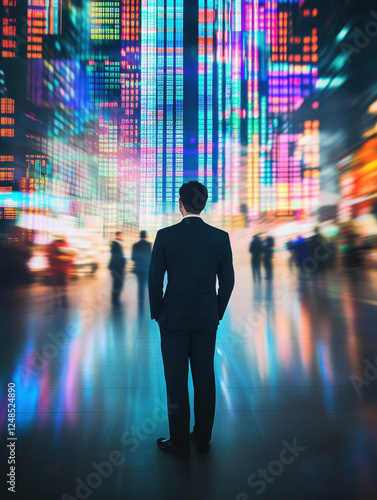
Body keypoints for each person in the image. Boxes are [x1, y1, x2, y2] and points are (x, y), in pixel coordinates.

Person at [149, 180, 234, 459]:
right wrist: (216, 312)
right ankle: (202, 438)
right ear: (203, 204)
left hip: (173, 319)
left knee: (176, 381)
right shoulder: (220, 237)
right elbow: (228, 282)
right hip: (205, 319)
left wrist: (158, 312)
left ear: (180, 204)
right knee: (205, 378)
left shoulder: (165, 236)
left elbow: (154, 279)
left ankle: (179, 442)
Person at [47, 236, 74, 307]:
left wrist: (50, 268)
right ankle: (63, 301)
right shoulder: (65, 245)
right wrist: (69, 267)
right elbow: (69, 257)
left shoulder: (52, 245)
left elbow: (50, 258)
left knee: (56, 286)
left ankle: (56, 301)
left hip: (55, 270)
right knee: (63, 286)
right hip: (62, 269)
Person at [131, 230, 152, 311]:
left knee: (140, 286)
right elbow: (150, 257)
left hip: (139, 268)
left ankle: (141, 302)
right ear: (146, 236)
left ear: (140, 236)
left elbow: (133, 258)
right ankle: (149, 301)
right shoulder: (148, 245)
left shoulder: (135, 245)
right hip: (146, 268)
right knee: (148, 285)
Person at [109, 231, 126, 306]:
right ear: (118, 236)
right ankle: (115, 300)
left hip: (118, 267)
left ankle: (115, 299)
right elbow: (115, 256)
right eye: (121, 236)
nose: (122, 237)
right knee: (117, 283)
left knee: (118, 283)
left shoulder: (117, 244)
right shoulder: (115, 244)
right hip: (116, 267)